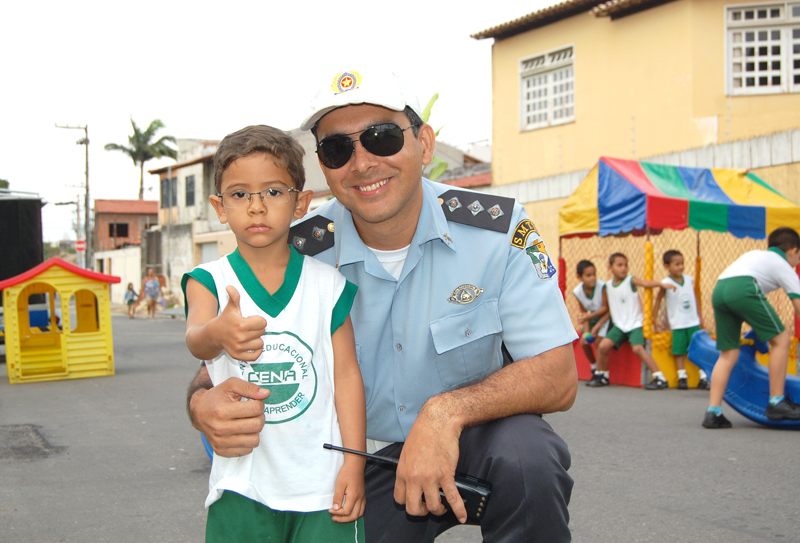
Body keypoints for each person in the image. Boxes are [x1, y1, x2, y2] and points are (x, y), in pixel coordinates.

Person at [186, 68, 578, 543]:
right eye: (337, 149)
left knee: (528, 455)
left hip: (470, 437)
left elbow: (557, 376)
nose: (363, 163)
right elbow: (218, 360)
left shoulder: (498, 231)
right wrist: (201, 405)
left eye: (383, 137)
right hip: (357, 460)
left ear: (424, 144)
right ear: (323, 167)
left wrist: (444, 414)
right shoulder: (297, 251)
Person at [182, 125, 366, 541]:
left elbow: (347, 376)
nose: (257, 206)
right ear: (219, 206)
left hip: (323, 486)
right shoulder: (208, 279)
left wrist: (354, 461)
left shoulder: (328, 285)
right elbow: (196, 338)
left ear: (301, 202)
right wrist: (219, 332)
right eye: (240, 194)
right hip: (243, 480)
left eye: (274, 191)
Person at [703, 227, 800, 429]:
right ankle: (776, 402)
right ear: (793, 251)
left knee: (728, 354)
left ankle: (713, 413)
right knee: (782, 340)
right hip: (743, 288)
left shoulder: (755, 255)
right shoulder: (783, 264)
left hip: (720, 289)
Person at [587, 252, 675, 389]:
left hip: (634, 324)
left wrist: (661, 284)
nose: (623, 268)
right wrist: (598, 325)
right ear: (610, 268)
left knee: (638, 348)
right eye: (619, 265)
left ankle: (659, 377)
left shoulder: (630, 281)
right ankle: (603, 375)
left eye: (625, 265)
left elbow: (646, 283)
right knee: (603, 346)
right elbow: (608, 308)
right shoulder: (608, 286)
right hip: (619, 326)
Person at [653, 250, 709, 390]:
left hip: (692, 322)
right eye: (677, 264)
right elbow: (658, 300)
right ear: (667, 266)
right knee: (679, 351)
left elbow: (694, 297)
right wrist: (654, 318)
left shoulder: (689, 279)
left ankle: (703, 377)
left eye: (682, 263)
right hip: (677, 323)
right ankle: (682, 377)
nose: (681, 267)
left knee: (697, 349)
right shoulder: (666, 283)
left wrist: (700, 316)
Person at [573, 260, 609, 373]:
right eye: (588, 275)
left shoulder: (602, 286)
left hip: (605, 317)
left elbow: (606, 308)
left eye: (594, 274)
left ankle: (601, 371)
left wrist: (590, 319)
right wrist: (586, 332)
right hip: (592, 318)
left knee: (598, 341)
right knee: (584, 341)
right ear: (579, 277)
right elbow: (584, 313)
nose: (592, 278)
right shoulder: (578, 291)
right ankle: (594, 366)